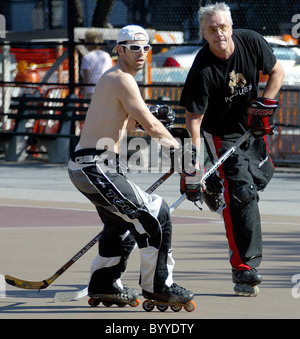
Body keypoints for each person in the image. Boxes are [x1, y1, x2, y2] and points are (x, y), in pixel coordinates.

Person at [68, 25, 194, 306]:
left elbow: (131, 118)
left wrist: (153, 111)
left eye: (146, 47)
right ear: (119, 49)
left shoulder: (119, 79)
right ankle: (159, 286)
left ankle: (105, 284)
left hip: (95, 166)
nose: (141, 52)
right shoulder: (121, 79)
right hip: (95, 166)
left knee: (122, 224)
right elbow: (149, 127)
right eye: (133, 47)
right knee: (156, 213)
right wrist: (181, 150)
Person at [180, 3, 284, 290]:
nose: (219, 34)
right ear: (203, 33)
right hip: (221, 134)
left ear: (231, 25)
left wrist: (265, 105)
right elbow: (193, 121)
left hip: (250, 126)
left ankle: (216, 183)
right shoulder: (202, 70)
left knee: (260, 179)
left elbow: (277, 72)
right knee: (242, 193)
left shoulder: (251, 40)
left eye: (223, 27)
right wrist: (193, 165)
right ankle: (243, 267)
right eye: (212, 30)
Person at [80, 28, 113, 99]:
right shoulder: (106, 56)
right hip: (106, 91)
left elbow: (87, 80)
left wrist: (84, 97)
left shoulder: (87, 57)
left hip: (92, 92)